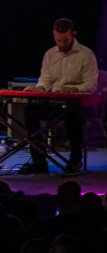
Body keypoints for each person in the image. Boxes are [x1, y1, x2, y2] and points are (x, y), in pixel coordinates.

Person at [19, 18, 98, 174]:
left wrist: (74, 89)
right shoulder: (50, 54)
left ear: (73, 35)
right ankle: (39, 162)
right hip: (55, 102)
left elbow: (91, 85)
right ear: (54, 35)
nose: (61, 44)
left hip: (77, 103)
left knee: (72, 113)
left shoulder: (86, 55)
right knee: (30, 110)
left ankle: (75, 161)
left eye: (65, 41)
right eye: (58, 40)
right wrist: (40, 88)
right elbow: (46, 78)